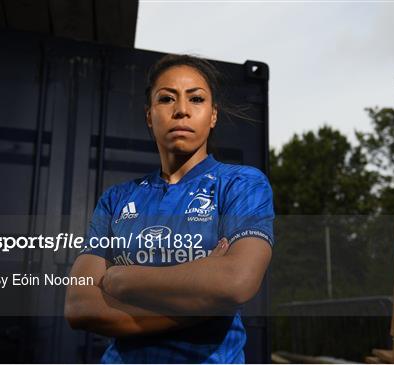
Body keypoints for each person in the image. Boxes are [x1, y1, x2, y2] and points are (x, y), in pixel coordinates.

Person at [64, 54, 275, 364]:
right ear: (150, 116)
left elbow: (236, 282)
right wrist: (202, 303)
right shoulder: (116, 199)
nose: (181, 111)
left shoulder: (242, 184)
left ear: (212, 115)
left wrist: (122, 279)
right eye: (166, 99)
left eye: (197, 99)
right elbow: (80, 305)